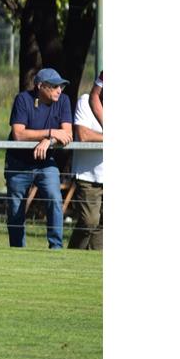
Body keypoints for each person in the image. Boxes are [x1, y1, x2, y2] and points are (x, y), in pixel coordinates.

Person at [5, 67, 73, 249]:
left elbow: (67, 133)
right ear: (40, 86)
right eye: (55, 86)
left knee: (54, 198)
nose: (60, 90)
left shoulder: (64, 100)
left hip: (46, 163)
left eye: (62, 86)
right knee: (15, 208)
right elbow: (18, 134)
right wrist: (51, 132)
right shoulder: (22, 99)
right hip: (18, 162)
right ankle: (17, 251)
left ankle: (56, 248)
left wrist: (48, 140)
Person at [69, 72, 103, 250]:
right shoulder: (85, 101)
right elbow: (83, 135)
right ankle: (73, 256)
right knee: (89, 222)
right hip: (88, 176)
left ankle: (93, 262)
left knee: (103, 226)